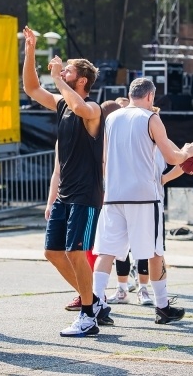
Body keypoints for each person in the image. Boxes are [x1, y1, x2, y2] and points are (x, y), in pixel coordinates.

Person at [21, 25, 109, 337]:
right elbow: (32, 88)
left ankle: (88, 317)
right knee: (53, 252)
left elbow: (80, 107)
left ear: (81, 80)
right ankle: (94, 301)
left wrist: (58, 79)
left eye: (68, 70)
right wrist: (30, 50)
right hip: (65, 193)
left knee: (75, 252)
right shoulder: (62, 104)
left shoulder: (93, 108)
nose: (62, 71)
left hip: (85, 193)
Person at [92, 78, 193, 325]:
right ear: (150, 96)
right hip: (143, 195)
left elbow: (104, 158)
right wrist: (187, 152)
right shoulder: (151, 118)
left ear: (130, 94)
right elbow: (172, 157)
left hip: (114, 194)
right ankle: (162, 307)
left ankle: (95, 303)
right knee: (154, 252)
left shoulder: (111, 118)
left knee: (107, 251)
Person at [60, 99, 121, 312]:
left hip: (104, 198)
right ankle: (92, 296)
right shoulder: (92, 134)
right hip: (101, 197)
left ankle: (97, 296)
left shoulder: (110, 139)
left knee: (97, 249)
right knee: (90, 250)